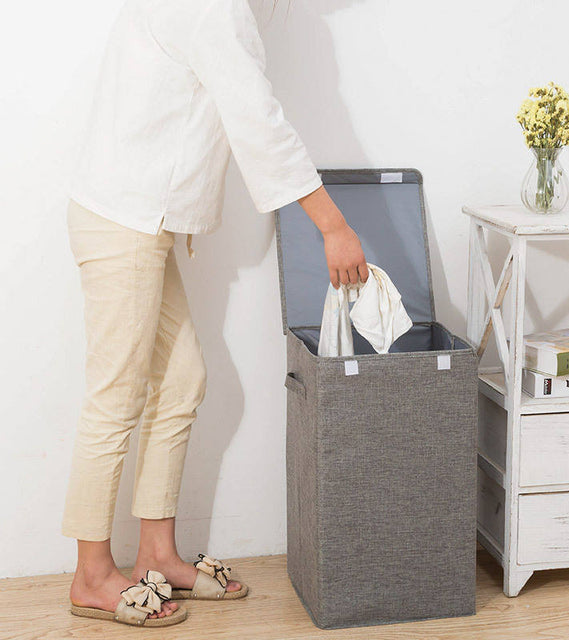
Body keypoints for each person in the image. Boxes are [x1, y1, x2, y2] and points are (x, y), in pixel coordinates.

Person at [62, 0, 368, 628]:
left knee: (180, 383)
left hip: (139, 218)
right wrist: (333, 227)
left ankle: (156, 553)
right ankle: (91, 576)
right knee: (115, 397)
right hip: (124, 219)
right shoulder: (213, 7)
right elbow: (259, 121)